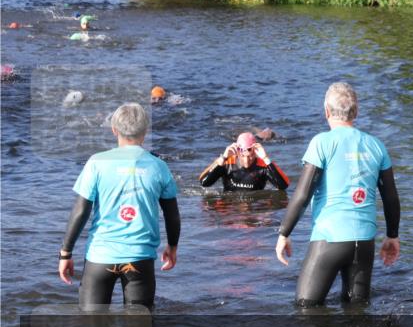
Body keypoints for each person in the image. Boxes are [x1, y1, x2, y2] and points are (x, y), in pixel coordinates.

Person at [275, 83, 400, 307]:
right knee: (357, 313)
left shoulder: (322, 143)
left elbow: (303, 194)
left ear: (326, 111)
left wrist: (284, 233)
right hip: (364, 243)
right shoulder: (376, 145)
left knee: (306, 309)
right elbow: (390, 197)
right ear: (356, 112)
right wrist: (392, 236)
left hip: (329, 240)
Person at [59, 103, 180, 309]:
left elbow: (80, 211)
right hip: (140, 258)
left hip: (100, 257)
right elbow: (172, 215)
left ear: (114, 130)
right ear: (145, 131)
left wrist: (66, 254)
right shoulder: (159, 166)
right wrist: (172, 247)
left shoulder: (96, 162)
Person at [199, 132, 289, 191]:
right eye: (242, 156)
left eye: (250, 157)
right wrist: (223, 158)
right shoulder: (227, 162)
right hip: (231, 206)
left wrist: (265, 158)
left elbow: (283, 186)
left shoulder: (264, 165)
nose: (246, 161)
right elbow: (205, 183)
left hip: (254, 206)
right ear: (237, 153)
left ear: (255, 153)